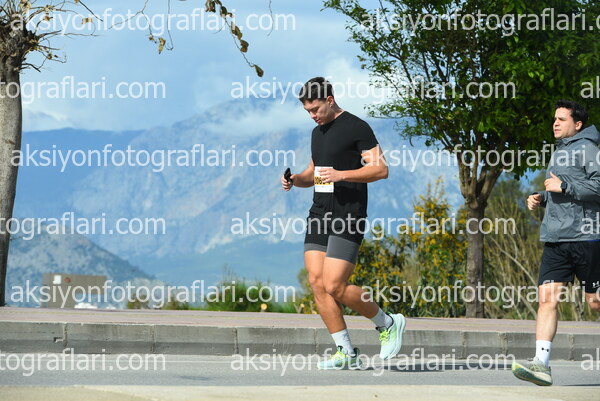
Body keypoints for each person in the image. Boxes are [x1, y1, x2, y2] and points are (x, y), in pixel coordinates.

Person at [281, 77, 405, 370]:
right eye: (308, 111)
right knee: (317, 282)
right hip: (319, 213)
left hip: (348, 215)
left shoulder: (356, 127)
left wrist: (342, 174)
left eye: (315, 109)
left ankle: (387, 323)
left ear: (330, 99)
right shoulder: (317, 133)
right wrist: (295, 179)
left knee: (335, 285)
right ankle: (346, 351)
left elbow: (380, 169)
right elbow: (314, 173)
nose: (313, 115)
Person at [513, 100, 600, 386]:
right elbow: (562, 190)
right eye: (554, 119)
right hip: (556, 238)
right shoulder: (559, 151)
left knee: (595, 302)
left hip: (586, 237)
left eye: (562, 119)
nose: (555, 123)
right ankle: (541, 364)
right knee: (547, 299)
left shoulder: (589, 149)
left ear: (578, 124)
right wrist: (542, 197)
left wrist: (564, 186)